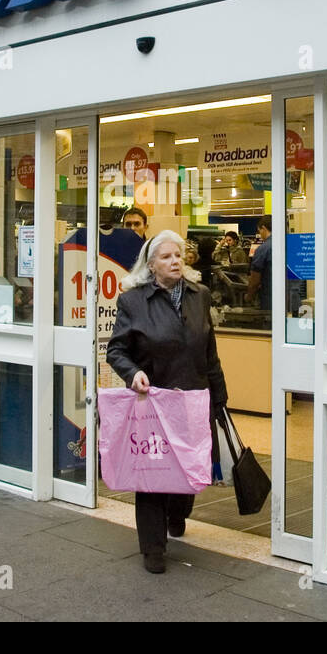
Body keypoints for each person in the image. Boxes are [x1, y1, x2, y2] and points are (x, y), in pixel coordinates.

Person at [107, 230, 228, 575]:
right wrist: (132, 374)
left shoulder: (199, 295)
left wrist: (219, 397)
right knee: (153, 475)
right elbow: (116, 350)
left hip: (192, 398)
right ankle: (153, 549)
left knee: (187, 473)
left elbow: (210, 350)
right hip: (154, 402)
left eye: (179, 255)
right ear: (151, 264)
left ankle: (178, 514)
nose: (175, 261)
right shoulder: (132, 301)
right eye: (166, 257)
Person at [245, 216, 272, 310]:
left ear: (263, 228)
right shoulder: (289, 245)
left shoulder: (263, 249)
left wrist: (249, 297)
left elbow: (255, 281)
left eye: (259, 231)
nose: (260, 235)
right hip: (291, 299)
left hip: (270, 300)